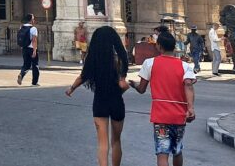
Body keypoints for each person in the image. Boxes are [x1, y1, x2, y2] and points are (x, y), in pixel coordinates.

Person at [65, 26, 131, 166]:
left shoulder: (94, 57)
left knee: (102, 143)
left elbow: (82, 77)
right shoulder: (120, 59)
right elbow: (122, 85)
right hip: (116, 102)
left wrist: (71, 89)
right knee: (116, 141)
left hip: (100, 101)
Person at [129, 31, 197, 166]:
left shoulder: (150, 63)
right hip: (179, 115)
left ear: (159, 46)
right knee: (177, 150)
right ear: (174, 46)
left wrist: (134, 85)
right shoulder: (184, 66)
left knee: (162, 153)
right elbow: (188, 84)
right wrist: (190, 108)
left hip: (161, 116)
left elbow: (142, 89)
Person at [17, 13, 40, 86]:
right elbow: (34, 40)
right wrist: (34, 50)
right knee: (35, 65)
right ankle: (34, 82)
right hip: (31, 48)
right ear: (30, 20)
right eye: (33, 19)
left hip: (24, 48)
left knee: (26, 64)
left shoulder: (21, 27)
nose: (34, 20)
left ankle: (21, 74)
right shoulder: (33, 28)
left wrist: (22, 46)